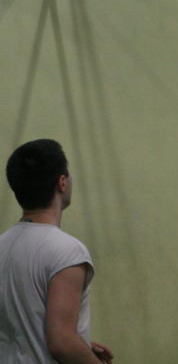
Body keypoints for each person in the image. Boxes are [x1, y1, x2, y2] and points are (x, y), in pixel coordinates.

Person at [0, 139, 114, 364]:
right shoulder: (67, 251)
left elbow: (21, 327)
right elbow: (62, 343)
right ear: (62, 182)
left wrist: (82, 347)